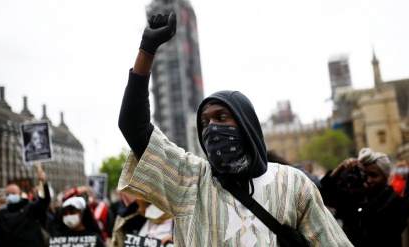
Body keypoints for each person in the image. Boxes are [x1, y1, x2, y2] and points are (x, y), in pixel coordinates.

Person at [117, 12, 352, 246]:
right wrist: (147, 50)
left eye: (222, 118)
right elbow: (133, 126)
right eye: (205, 123)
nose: (212, 129)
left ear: (246, 124)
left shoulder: (293, 184)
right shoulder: (189, 180)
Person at [320, 148, 408, 247]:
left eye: (373, 176)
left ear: (385, 177)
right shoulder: (353, 197)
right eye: (365, 175)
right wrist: (341, 168)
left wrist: (363, 203)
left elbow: (382, 234)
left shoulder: (395, 202)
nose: (368, 180)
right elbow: (324, 195)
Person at [0, 169, 51, 247]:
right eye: (8, 194)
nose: (10, 196)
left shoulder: (30, 208)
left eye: (13, 193)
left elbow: (44, 202)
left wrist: (44, 183)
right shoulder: (2, 213)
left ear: (20, 193)